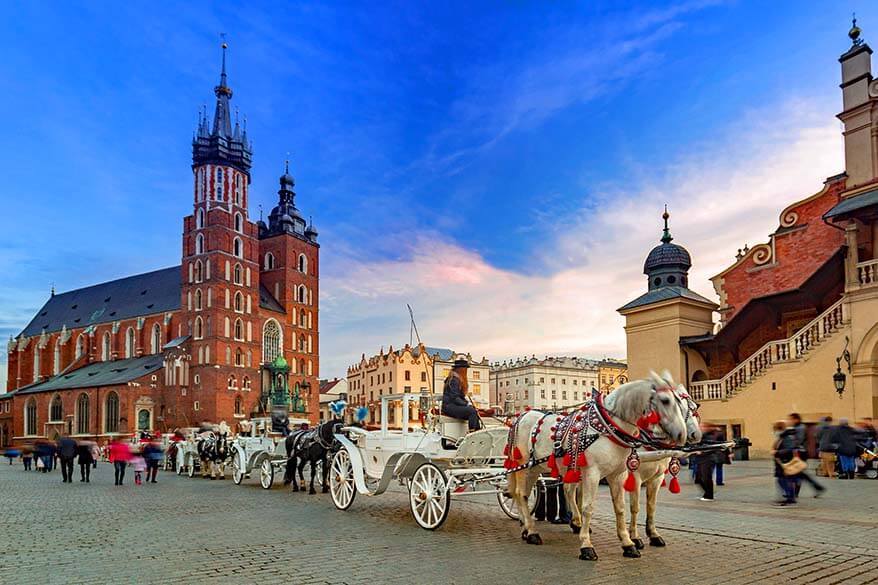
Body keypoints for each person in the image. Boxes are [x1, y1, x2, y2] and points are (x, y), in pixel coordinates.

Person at [788, 413, 825, 497]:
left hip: (800, 453)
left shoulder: (800, 428)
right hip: (798, 452)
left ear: (796, 419)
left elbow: (799, 440)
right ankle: (817, 488)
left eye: (791, 419)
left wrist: (790, 444)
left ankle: (796, 492)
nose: (790, 421)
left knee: (799, 473)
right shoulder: (797, 427)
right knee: (800, 473)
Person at [441, 359, 480, 432]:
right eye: (465, 369)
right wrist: (466, 404)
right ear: (461, 369)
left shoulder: (456, 378)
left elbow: (459, 397)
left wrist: (467, 404)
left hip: (451, 405)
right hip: (449, 406)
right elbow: (454, 397)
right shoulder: (454, 380)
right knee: (472, 411)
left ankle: (477, 430)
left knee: (473, 410)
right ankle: (472, 432)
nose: (466, 371)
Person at [693, 423, 723, 501]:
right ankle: (707, 492)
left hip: (708, 459)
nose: (700, 428)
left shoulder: (712, 436)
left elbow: (711, 448)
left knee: (706, 477)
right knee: (698, 478)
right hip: (700, 459)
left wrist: (701, 452)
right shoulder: (703, 436)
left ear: (708, 428)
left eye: (702, 427)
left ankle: (709, 495)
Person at [773, 420, 800, 505]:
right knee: (784, 480)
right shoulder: (783, 437)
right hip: (782, 462)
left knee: (783, 480)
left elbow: (789, 449)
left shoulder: (786, 438)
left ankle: (790, 497)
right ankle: (790, 496)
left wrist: (777, 453)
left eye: (775, 429)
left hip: (785, 461)